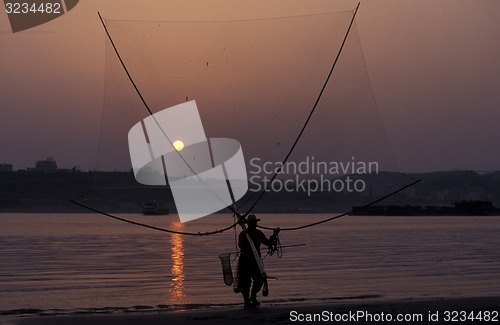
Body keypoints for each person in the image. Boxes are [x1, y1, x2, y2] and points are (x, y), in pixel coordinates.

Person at [237, 214, 280, 307]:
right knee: (245, 281)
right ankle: (246, 301)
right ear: (249, 224)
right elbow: (240, 245)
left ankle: (253, 297)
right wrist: (246, 235)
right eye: (253, 223)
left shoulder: (258, 233)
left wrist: (274, 234)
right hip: (245, 260)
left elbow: (268, 243)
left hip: (256, 260)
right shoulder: (243, 233)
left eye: (255, 223)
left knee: (260, 279)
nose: (255, 224)